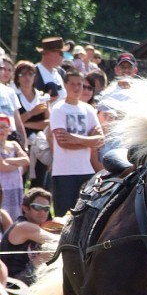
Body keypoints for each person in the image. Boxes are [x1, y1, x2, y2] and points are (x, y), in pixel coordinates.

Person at [49, 70, 105, 216]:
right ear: (65, 85)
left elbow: (100, 139)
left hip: (86, 171)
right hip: (64, 172)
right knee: (64, 215)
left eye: (80, 84)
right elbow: (63, 142)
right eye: (73, 84)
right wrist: (88, 141)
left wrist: (76, 139)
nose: (77, 88)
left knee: (85, 215)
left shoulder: (89, 109)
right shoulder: (58, 109)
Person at [0, 187, 58, 285]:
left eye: (46, 209)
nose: (42, 212)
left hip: (21, 277)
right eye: (37, 207)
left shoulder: (30, 226)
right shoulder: (24, 226)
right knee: (49, 252)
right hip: (14, 282)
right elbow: (59, 241)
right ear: (25, 208)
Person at [13, 60, 51, 189]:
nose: (27, 77)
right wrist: (31, 113)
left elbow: (48, 122)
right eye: (22, 74)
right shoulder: (14, 97)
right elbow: (13, 123)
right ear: (17, 78)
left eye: (30, 74)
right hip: (20, 145)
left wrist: (26, 123)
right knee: (20, 180)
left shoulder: (42, 97)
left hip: (39, 145)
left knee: (39, 182)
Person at [0, 114, 29, 220]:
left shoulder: (14, 144)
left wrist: (8, 161)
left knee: (16, 214)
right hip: (2, 188)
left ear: (9, 129)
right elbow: (3, 167)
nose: (1, 130)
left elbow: (26, 160)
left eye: (4, 127)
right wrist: (17, 163)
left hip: (15, 186)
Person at [0, 57, 27, 149]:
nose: (6, 72)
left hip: (11, 136)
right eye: (2, 68)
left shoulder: (10, 92)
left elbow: (18, 122)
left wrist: (24, 144)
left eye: (9, 70)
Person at [34, 37, 67, 104]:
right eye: (61, 53)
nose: (63, 57)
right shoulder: (33, 73)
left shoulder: (61, 72)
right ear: (49, 53)